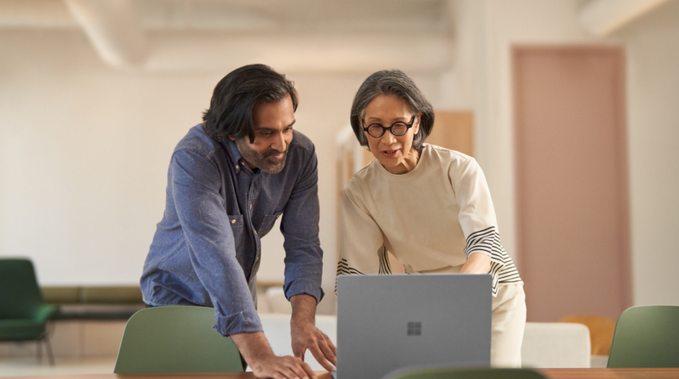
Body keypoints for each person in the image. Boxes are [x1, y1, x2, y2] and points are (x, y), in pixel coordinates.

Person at [141, 64, 336, 379]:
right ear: (231, 130)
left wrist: (302, 321)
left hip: (237, 304)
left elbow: (304, 246)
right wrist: (260, 356)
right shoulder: (195, 158)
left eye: (287, 127)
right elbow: (217, 257)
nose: (283, 143)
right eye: (266, 133)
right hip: (176, 300)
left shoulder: (300, 156)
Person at [337, 70, 526, 367]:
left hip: (491, 296)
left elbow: (482, 247)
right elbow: (366, 276)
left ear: (418, 122)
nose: (388, 139)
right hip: (425, 301)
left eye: (399, 125)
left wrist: (454, 301)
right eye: (375, 127)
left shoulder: (459, 169)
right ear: (362, 127)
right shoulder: (358, 192)